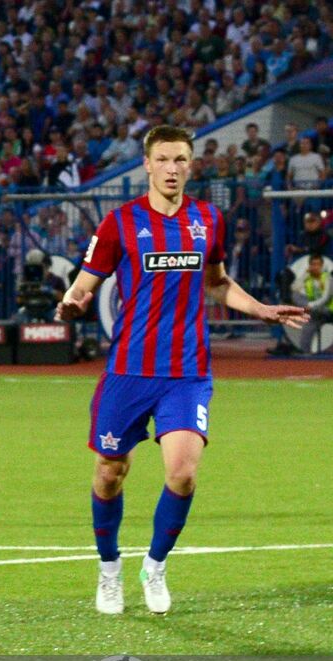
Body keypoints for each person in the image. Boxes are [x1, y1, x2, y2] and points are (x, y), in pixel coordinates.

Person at [57, 125, 308, 616]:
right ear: (147, 165)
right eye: (164, 160)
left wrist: (259, 309)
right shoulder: (119, 223)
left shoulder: (207, 220)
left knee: (184, 474)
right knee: (110, 473)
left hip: (187, 372)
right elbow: (84, 283)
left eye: (181, 160)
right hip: (128, 371)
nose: (173, 168)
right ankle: (109, 570)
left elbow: (217, 283)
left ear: (190, 166)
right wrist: (71, 302)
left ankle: (155, 565)